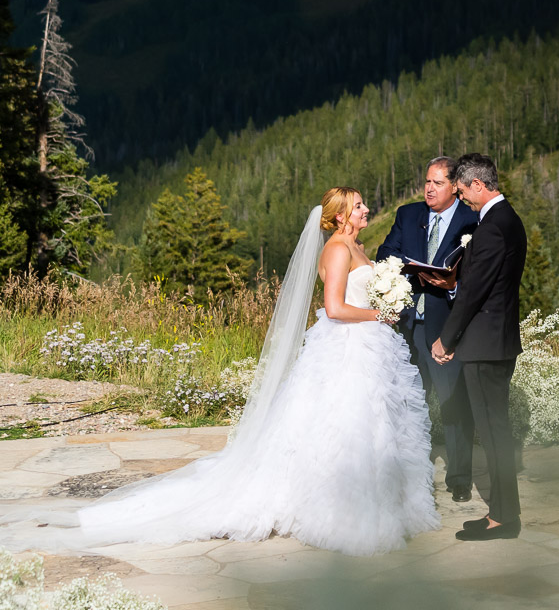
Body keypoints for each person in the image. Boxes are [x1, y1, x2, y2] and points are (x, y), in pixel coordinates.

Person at [76, 188, 439, 556]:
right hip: (348, 347)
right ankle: (343, 513)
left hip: (372, 345)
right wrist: (380, 313)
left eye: (363, 203)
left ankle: (387, 501)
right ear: (341, 216)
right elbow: (334, 308)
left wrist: (386, 299)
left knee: (378, 422)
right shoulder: (337, 249)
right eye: (358, 206)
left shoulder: (358, 247)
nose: (365, 210)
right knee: (347, 422)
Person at [433, 153, 526, 541]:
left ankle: (504, 520)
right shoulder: (509, 220)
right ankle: (502, 513)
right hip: (496, 341)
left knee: (492, 434)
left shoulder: (491, 227)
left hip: (485, 345)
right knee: (494, 432)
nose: (464, 200)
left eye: (463, 192)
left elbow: (474, 293)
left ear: (478, 184)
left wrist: (446, 338)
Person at [376, 156, 479, 502]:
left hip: (447, 327)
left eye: (437, 183)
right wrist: (408, 271)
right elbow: (385, 254)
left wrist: (450, 285)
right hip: (408, 327)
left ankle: (460, 478)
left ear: (455, 188)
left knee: (453, 402)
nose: (429, 189)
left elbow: (479, 279)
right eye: (427, 182)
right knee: (409, 402)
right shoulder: (408, 215)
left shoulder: (472, 221)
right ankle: (412, 475)